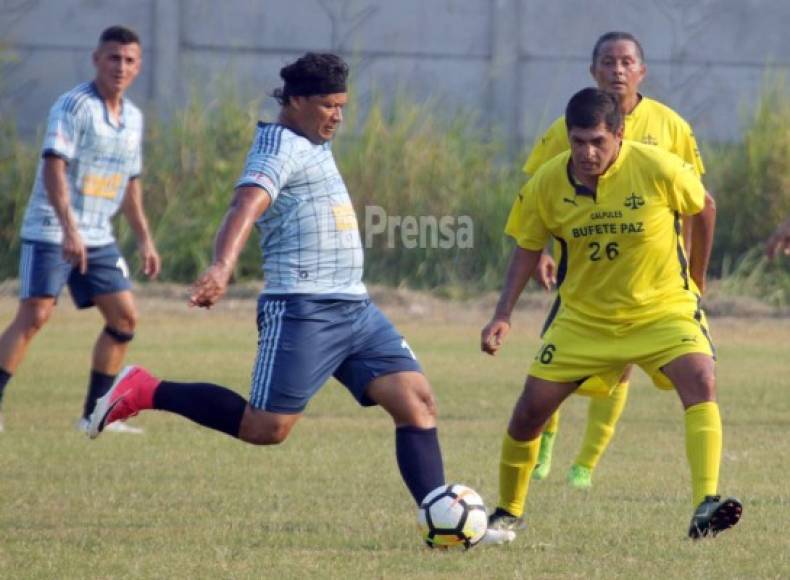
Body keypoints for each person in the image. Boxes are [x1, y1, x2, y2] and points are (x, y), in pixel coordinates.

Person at [85, 52, 512, 545]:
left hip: (355, 308)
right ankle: (144, 389)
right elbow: (246, 203)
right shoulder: (279, 147)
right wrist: (223, 266)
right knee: (266, 428)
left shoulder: (313, 139)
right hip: (302, 309)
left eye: (343, 106)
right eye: (329, 105)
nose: (338, 116)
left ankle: (446, 523)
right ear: (296, 101)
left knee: (417, 402)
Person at [481, 87, 741, 539]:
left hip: (662, 309)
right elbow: (525, 248)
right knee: (530, 412)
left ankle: (706, 502)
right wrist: (503, 313)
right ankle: (508, 513)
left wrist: (697, 280)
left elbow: (705, 207)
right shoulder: (546, 182)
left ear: (619, 134)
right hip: (585, 318)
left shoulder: (656, 167)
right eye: (578, 141)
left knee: (701, 379)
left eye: (598, 141)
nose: (587, 152)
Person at [522, 31, 716, 489]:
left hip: (654, 275)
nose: (618, 70)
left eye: (627, 62)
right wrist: (542, 253)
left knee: (627, 364)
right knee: (556, 367)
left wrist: (692, 270)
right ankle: (543, 445)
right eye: (608, 62)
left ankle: (585, 464)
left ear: (642, 71)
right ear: (593, 71)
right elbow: (537, 194)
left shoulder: (671, 126)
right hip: (586, 270)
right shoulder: (564, 127)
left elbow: (696, 200)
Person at [0, 26, 159, 434]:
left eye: (128, 60)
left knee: (125, 319)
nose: (120, 67)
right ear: (96, 59)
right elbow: (55, 167)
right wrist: (70, 229)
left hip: (99, 233)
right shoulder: (73, 106)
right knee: (36, 314)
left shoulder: (134, 118)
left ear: (138, 66)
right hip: (53, 226)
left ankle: (94, 415)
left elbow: (131, 183)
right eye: (112, 58)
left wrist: (144, 238)